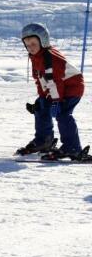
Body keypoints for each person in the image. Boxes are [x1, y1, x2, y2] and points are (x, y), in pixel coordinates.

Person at [18, 23, 85, 160]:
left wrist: (56, 102)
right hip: (57, 89)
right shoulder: (36, 57)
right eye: (27, 45)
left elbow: (55, 82)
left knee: (63, 114)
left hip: (72, 88)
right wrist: (42, 99)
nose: (30, 48)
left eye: (33, 44)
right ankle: (44, 141)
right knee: (41, 107)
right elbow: (40, 80)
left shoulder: (49, 58)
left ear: (43, 41)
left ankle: (72, 147)